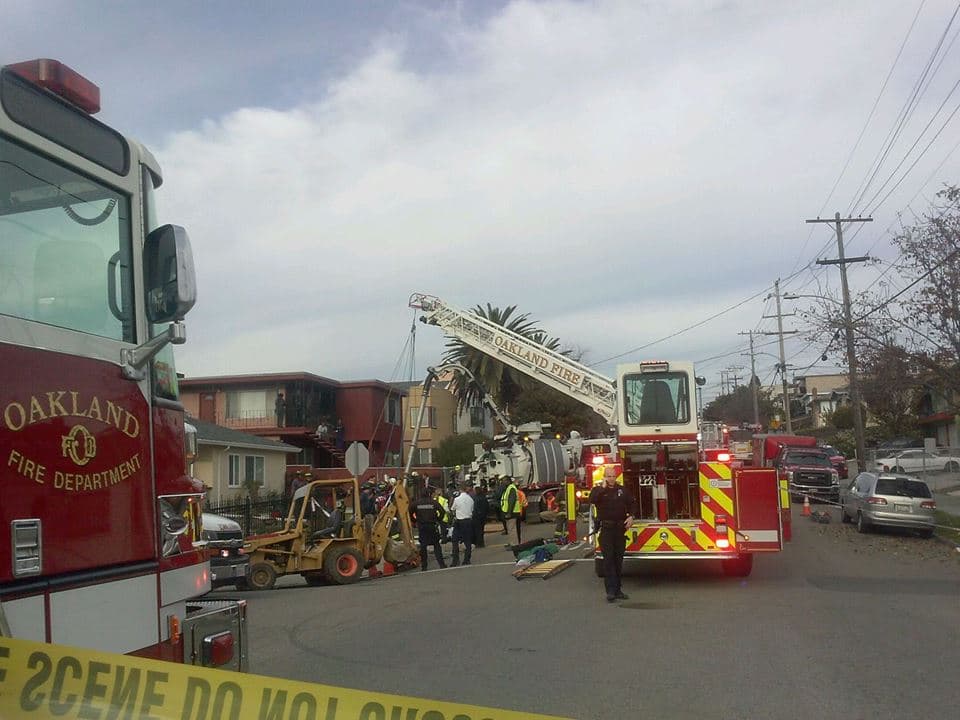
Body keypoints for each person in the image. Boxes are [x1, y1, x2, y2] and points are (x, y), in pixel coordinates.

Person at [588, 465, 637, 603]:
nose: (611, 478)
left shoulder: (622, 490)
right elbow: (591, 500)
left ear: (616, 477)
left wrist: (631, 516)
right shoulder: (599, 490)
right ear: (604, 477)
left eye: (613, 476)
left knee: (618, 560)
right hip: (606, 529)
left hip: (620, 529)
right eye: (608, 476)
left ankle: (618, 590)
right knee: (608, 561)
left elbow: (632, 503)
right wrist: (602, 487)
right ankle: (610, 591)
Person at [411, 487, 447, 570]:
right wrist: (438, 519)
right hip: (432, 525)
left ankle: (424, 566)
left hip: (422, 526)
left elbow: (410, 512)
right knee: (436, 545)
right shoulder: (433, 502)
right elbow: (442, 511)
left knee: (423, 547)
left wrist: (415, 520)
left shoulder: (416, 503)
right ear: (429, 494)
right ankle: (441, 564)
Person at [450, 483, 475, 566]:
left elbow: (452, 508)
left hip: (459, 522)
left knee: (455, 541)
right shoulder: (470, 499)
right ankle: (467, 559)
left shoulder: (457, 499)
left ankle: (455, 560)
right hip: (468, 521)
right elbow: (472, 510)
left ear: (460, 490)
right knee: (468, 541)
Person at [500, 476, 522, 544]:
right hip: (512, 512)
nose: (502, 483)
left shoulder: (511, 488)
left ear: (508, 481)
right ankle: (513, 543)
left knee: (512, 529)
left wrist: (509, 513)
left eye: (503, 481)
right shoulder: (508, 488)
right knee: (511, 529)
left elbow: (511, 501)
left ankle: (514, 544)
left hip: (512, 513)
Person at [471, 483, 489, 548]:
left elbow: (475, 508)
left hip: (477, 516)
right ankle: (481, 542)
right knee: (481, 530)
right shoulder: (484, 497)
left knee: (477, 530)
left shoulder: (476, 498)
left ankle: (478, 543)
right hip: (483, 516)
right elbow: (487, 507)